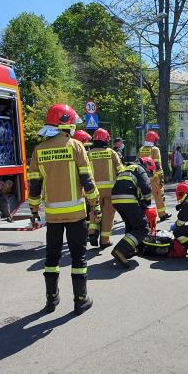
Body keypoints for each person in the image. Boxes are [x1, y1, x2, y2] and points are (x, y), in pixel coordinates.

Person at [28, 104, 99, 315]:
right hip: (76, 214)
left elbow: (34, 185)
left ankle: (51, 300)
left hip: (52, 217)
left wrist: (33, 210)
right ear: (66, 123)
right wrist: (95, 204)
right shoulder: (76, 146)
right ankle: (80, 299)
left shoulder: (38, 151)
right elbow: (88, 180)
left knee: (51, 258)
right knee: (79, 258)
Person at [110, 157, 154, 268]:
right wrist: (147, 202)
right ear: (147, 165)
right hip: (128, 199)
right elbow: (146, 188)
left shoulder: (127, 168)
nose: (149, 173)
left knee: (131, 225)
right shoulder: (140, 169)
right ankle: (120, 250)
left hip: (115, 199)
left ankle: (128, 250)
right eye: (149, 171)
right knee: (142, 228)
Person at [87, 128, 123, 247]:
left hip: (94, 190)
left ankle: (92, 231)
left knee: (95, 210)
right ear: (106, 139)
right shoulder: (111, 152)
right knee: (108, 213)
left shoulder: (89, 154)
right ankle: (104, 240)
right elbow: (120, 170)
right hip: (110, 190)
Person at [138, 131, 170, 220]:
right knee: (159, 195)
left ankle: (144, 215)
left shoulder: (141, 149)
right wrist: (161, 177)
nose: (156, 141)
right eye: (156, 139)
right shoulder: (155, 149)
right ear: (153, 139)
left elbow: (137, 163)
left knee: (144, 197)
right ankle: (162, 214)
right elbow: (157, 164)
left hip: (143, 177)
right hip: (154, 177)